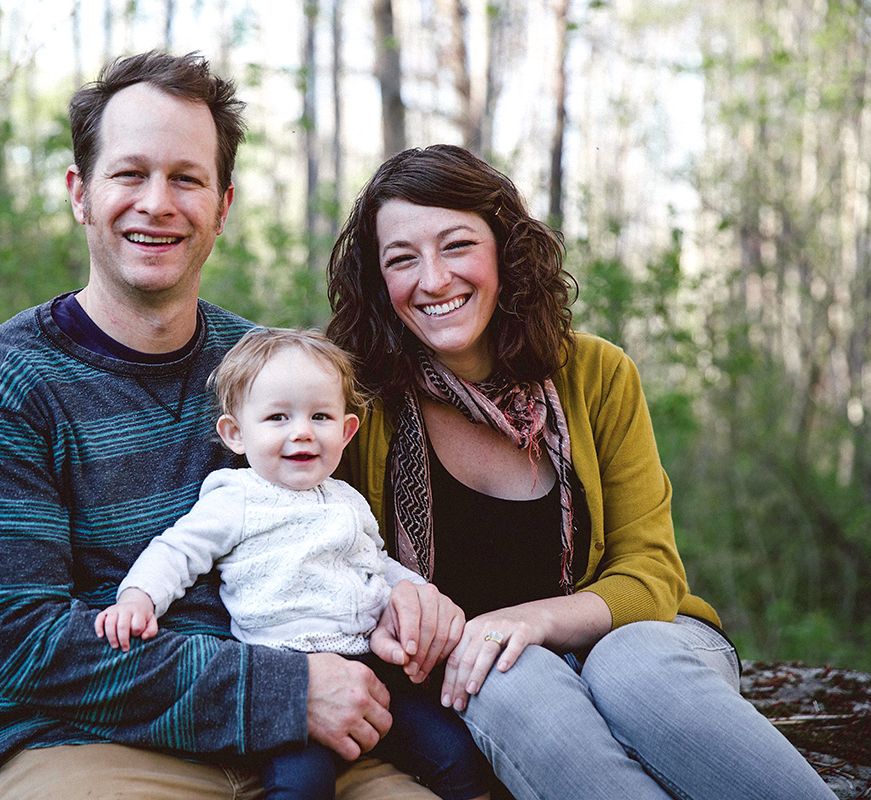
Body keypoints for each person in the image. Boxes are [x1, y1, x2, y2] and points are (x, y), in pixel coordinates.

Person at [0, 52, 459, 800]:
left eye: (186, 178)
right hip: (91, 745)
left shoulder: (266, 372)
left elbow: (327, 539)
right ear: (80, 194)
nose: (158, 203)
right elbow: (18, 641)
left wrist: (399, 600)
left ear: (223, 204)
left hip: (315, 737)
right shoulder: (4, 382)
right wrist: (280, 690)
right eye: (129, 174)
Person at [326, 143, 838, 800]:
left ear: (504, 253)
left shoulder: (596, 374)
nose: (433, 279)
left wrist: (527, 619)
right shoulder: (356, 403)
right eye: (402, 258)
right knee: (507, 675)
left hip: (651, 646)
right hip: (493, 676)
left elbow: (651, 575)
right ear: (378, 281)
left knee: (627, 662)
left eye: (457, 245)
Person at [96, 328, 490, 800]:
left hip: (368, 665)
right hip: (284, 678)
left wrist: (418, 592)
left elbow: (377, 564)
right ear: (235, 434)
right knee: (304, 783)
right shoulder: (236, 497)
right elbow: (177, 551)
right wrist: (138, 597)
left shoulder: (347, 500)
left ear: (346, 432)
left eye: (319, 416)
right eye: (278, 417)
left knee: (456, 754)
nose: (301, 431)